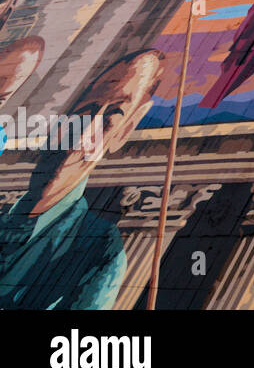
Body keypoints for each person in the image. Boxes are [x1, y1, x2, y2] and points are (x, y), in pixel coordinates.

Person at [0, 49, 164, 310]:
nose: (85, 132)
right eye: (84, 111)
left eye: (109, 119)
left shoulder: (99, 248)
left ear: (125, 132)